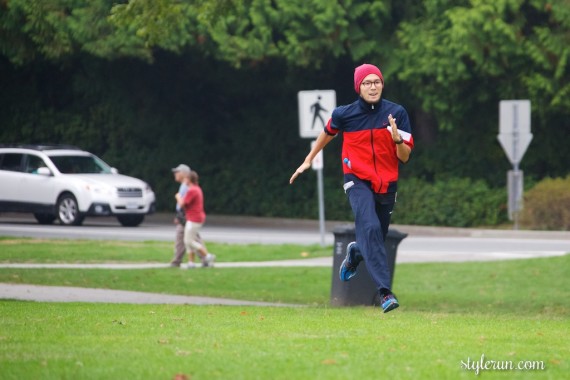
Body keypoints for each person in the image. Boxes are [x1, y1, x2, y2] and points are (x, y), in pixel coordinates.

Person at [290, 63, 414, 313]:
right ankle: (385, 292)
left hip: (386, 183)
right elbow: (327, 133)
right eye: (367, 83)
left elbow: (405, 157)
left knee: (375, 236)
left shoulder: (396, 113)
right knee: (368, 225)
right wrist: (308, 159)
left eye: (376, 82)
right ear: (358, 87)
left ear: (382, 84)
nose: (372, 87)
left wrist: (397, 139)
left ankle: (355, 252)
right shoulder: (344, 114)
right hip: (356, 179)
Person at [175, 170, 215, 268]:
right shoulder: (196, 189)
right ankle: (191, 263)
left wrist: (178, 196)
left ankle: (207, 256)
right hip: (194, 218)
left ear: (189, 179)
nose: (184, 180)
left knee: (189, 241)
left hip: (194, 219)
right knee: (188, 240)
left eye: (185, 178)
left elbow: (182, 204)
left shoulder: (192, 190)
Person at [169, 164, 191, 267]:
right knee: (190, 237)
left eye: (177, 172)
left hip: (185, 215)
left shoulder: (186, 186)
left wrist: (179, 215)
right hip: (184, 215)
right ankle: (205, 258)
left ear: (183, 173)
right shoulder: (184, 185)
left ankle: (176, 261)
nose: (175, 174)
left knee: (184, 237)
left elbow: (184, 202)